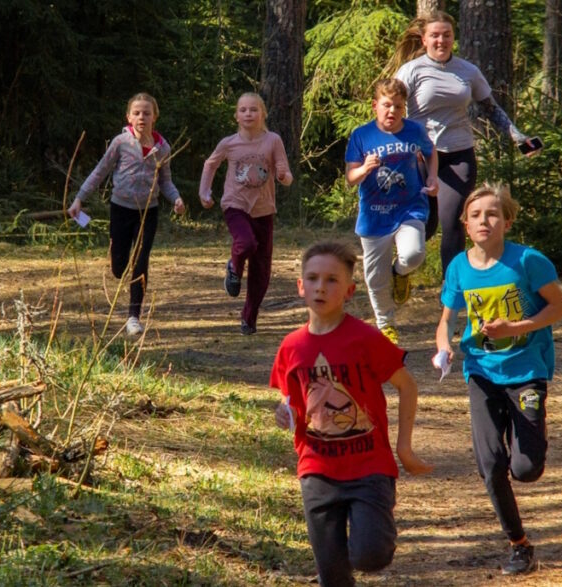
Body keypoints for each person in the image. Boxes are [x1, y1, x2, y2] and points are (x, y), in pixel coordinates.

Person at [271, 240, 433, 587]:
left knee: (369, 556)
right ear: (301, 286)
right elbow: (290, 398)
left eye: (332, 280)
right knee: (333, 576)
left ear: (349, 290)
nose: (320, 287)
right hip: (316, 469)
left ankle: (370, 532)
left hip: (369, 467)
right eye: (312, 278)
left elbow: (407, 386)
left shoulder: (366, 339)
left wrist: (404, 448)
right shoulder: (291, 346)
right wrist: (284, 413)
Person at [434, 184, 562, 576]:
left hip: (527, 370)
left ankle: (533, 431)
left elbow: (559, 307)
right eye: (475, 215)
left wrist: (518, 327)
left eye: (492, 214)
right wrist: (443, 349)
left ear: (507, 221)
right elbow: (446, 321)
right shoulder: (458, 267)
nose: (483, 221)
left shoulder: (528, 261)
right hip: (481, 372)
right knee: (490, 464)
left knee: (525, 469)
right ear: (464, 223)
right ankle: (519, 545)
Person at [391, 11, 542, 275]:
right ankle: (399, 270)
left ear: (454, 38)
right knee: (425, 225)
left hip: (459, 154)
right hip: (421, 158)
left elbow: (491, 108)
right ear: (424, 40)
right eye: (435, 36)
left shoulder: (468, 71)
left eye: (447, 35)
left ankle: (452, 295)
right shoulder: (411, 71)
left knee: (452, 223)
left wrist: (518, 137)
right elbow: (391, 109)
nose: (442, 41)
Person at [68, 92, 186, 337]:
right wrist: (79, 198)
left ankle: (134, 316)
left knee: (141, 261)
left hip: (148, 212)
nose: (142, 117)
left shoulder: (162, 148)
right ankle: (116, 256)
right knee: (119, 268)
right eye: (137, 112)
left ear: (155, 117)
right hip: (120, 209)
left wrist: (176, 199)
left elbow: (165, 182)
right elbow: (100, 172)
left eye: (146, 113)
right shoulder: (120, 143)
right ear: (129, 117)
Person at [345, 78, 439, 345]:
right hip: (374, 215)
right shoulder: (361, 135)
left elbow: (431, 153)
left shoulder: (414, 131)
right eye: (387, 105)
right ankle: (386, 324)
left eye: (398, 107)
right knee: (375, 276)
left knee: (413, 254)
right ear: (375, 106)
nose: (392, 112)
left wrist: (432, 178)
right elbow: (350, 177)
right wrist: (365, 168)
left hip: (410, 207)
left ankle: (400, 273)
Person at [199, 92, 293, 335]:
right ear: (236, 116)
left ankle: (249, 318)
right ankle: (234, 267)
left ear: (263, 114)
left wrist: (283, 177)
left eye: (253, 109)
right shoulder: (229, 143)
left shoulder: (273, 140)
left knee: (261, 270)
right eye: (243, 110)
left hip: (264, 210)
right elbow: (211, 164)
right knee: (245, 242)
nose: (248, 113)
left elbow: (285, 173)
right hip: (235, 204)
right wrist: (205, 192)